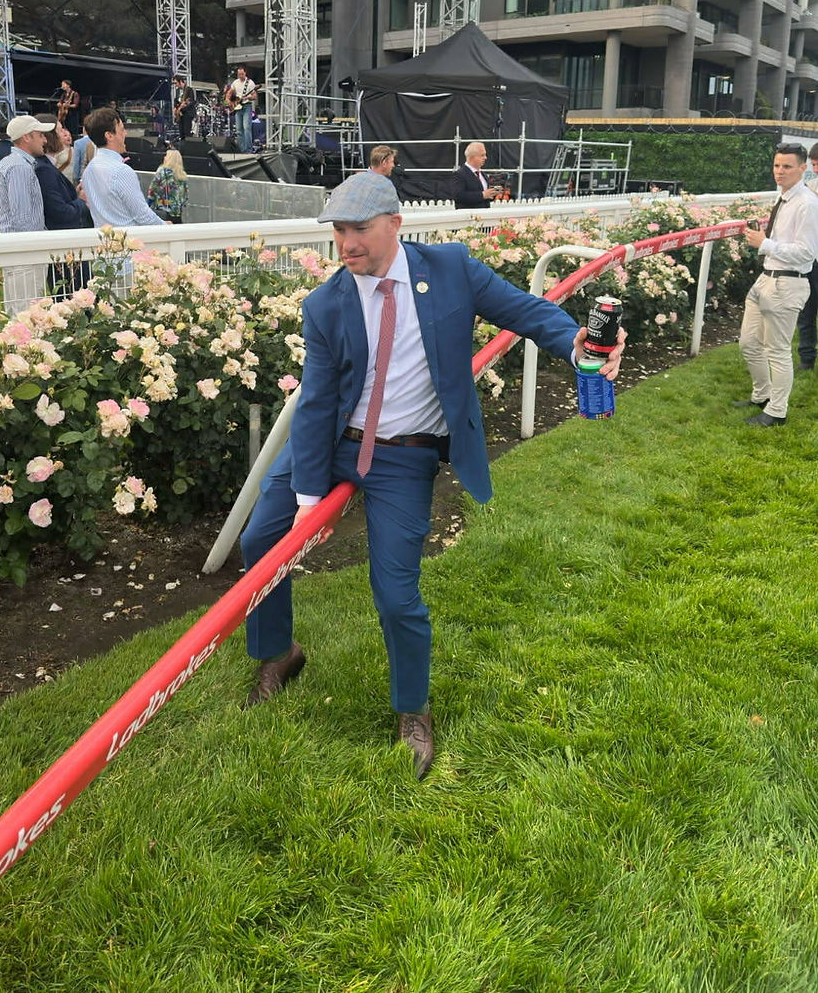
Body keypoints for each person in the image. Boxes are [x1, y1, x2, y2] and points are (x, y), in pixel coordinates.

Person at [238, 171, 624, 778]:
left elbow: (525, 312)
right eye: (338, 232)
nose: (346, 245)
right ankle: (277, 653)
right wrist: (310, 500)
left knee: (397, 594)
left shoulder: (451, 270)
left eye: (359, 230)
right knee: (261, 541)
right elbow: (314, 404)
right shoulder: (327, 304)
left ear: (395, 223)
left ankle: (412, 710)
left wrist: (579, 346)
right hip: (330, 443)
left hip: (402, 456)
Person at [735, 143, 818, 427]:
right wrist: (764, 242)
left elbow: (807, 252)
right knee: (748, 343)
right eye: (776, 165)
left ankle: (777, 412)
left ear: (803, 168)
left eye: (787, 167)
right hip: (766, 279)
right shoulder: (784, 197)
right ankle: (763, 395)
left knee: (778, 350)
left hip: (788, 283)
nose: (779, 172)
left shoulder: (807, 203)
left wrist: (766, 243)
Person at [81, 107, 165, 228]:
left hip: (104, 241)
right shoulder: (121, 171)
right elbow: (142, 215)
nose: (125, 133)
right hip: (128, 242)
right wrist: (168, 228)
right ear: (109, 135)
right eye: (122, 129)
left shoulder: (89, 171)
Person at [0, 115, 54, 234]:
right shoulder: (19, 167)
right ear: (26, 137)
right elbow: (22, 220)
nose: (45, 140)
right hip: (23, 244)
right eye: (40, 135)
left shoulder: (16, 164)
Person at [795, 142, 818, 374]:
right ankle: (807, 359)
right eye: (814, 164)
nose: (816, 168)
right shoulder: (808, 188)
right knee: (807, 312)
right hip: (811, 260)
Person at [451, 141, 506, 209]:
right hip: (469, 215)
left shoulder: (483, 174)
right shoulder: (460, 174)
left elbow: (486, 196)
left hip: (484, 214)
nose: (485, 158)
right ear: (472, 157)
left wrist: (493, 192)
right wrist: (482, 195)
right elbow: (458, 196)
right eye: (482, 155)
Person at [146, 147, 188, 223]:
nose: (164, 157)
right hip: (177, 213)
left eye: (166, 156)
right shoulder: (182, 175)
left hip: (164, 210)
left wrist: (147, 205)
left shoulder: (162, 172)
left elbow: (152, 190)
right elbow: (185, 196)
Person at [225, 66, 257, 153]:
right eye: (239, 74)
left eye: (242, 74)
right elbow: (229, 93)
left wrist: (248, 97)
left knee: (247, 128)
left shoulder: (250, 83)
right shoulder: (235, 82)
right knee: (239, 129)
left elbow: (254, 96)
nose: (240, 76)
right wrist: (228, 101)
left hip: (247, 106)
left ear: (245, 73)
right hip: (238, 107)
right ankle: (241, 149)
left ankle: (248, 149)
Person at [172, 75, 197, 143]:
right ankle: (182, 147)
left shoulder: (189, 90)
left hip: (187, 113)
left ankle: (188, 147)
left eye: (176, 83)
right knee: (181, 132)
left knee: (187, 131)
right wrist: (175, 108)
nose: (175, 85)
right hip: (180, 114)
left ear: (180, 81)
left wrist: (183, 106)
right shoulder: (177, 91)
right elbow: (176, 100)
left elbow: (192, 101)